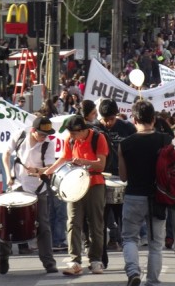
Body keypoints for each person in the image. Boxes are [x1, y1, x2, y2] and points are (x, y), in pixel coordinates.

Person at [46, 114, 108, 276]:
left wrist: (84, 161)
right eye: (70, 133)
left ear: (83, 130)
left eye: (74, 133)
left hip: (95, 184)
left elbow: (101, 165)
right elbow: (63, 159)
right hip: (74, 185)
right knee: (73, 222)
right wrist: (48, 171)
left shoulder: (98, 138)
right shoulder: (71, 139)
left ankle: (95, 260)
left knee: (96, 224)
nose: (71, 137)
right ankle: (75, 261)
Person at [119, 100, 172, 286]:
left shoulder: (125, 144)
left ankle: (133, 271)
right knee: (156, 243)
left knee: (129, 237)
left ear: (134, 119)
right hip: (158, 196)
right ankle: (152, 281)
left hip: (134, 195)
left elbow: (123, 176)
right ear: (154, 118)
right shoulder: (165, 140)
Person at [0, 115, 58, 275]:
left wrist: (38, 171)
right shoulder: (20, 135)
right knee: (7, 222)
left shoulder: (48, 144)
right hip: (18, 185)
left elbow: (50, 168)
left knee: (43, 226)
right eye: (41, 134)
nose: (44, 137)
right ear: (33, 131)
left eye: (47, 135)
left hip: (38, 189)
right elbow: (6, 154)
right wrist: (8, 175)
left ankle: (49, 263)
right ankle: (3, 255)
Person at [97, 99, 136, 256]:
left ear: (117, 116)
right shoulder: (95, 128)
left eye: (111, 119)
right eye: (105, 119)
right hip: (102, 179)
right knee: (101, 219)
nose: (108, 123)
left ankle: (125, 247)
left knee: (124, 218)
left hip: (122, 179)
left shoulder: (127, 128)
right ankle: (101, 254)